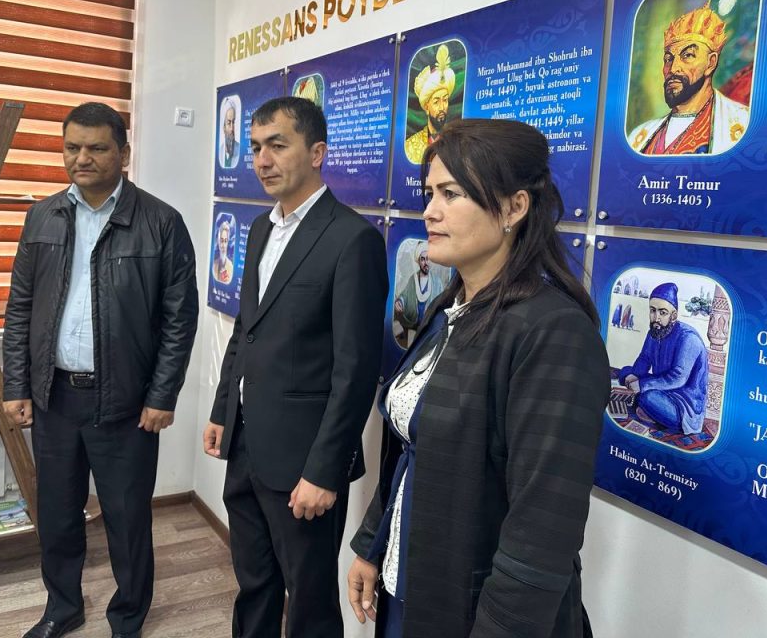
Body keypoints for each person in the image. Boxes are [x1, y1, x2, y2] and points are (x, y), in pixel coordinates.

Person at [347, 119, 610, 638]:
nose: (430, 211)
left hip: (474, 613)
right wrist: (372, 545)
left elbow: (542, 528)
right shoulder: (451, 310)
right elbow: (412, 449)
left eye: (452, 194)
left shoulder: (553, 332)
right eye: (429, 193)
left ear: (514, 207)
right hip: (411, 584)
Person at [2, 101, 198, 638]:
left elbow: (179, 319)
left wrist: (162, 395)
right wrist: (16, 383)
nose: (81, 158)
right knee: (57, 513)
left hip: (127, 402)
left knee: (127, 518)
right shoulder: (43, 217)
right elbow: (20, 307)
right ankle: (62, 606)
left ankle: (128, 617)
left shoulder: (160, 222)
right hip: (54, 397)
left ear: (123, 154)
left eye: (96, 148)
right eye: (72, 147)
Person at [203, 96, 388, 638]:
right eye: (256, 147)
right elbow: (247, 329)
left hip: (305, 462)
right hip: (246, 444)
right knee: (253, 583)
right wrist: (222, 410)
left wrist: (324, 471)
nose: (262, 160)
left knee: (308, 603)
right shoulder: (262, 229)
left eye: (277, 145)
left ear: (317, 153)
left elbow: (356, 370)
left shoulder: (352, 239)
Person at [628, 0, 750, 155]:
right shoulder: (639, 136)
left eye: (688, 56)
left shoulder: (743, 124)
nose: (673, 68)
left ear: (711, 62)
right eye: (668, 59)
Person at [618, 283, 708, 435]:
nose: (656, 317)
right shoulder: (654, 332)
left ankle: (654, 415)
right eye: (653, 310)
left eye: (663, 312)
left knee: (647, 397)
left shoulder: (688, 339)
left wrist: (641, 385)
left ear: (674, 316)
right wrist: (634, 375)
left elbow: (678, 378)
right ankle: (652, 413)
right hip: (662, 388)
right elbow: (644, 359)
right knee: (626, 372)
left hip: (683, 405)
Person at [405, 44, 456, 164]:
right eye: (436, 101)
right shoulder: (410, 147)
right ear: (427, 107)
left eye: (445, 100)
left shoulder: (457, 144)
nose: (442, 107)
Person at [393, 240, 444, 347]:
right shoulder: (413, 279)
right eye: (422, 259)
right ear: (418, 261)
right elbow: (404, 296)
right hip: (413, 325)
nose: (426, 263)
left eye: (428, 259)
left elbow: (442, 304)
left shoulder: (437, 282)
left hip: (429, 328)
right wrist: (399, 302)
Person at [219, 99, 240, 168]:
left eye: (233, 122)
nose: (232, 128)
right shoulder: (219, 152)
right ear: (224, 127)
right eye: (228, 123)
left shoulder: (240, 150)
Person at [213, 218, 234, 284]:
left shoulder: (231, 267)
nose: (223, 245)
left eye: (225, 241)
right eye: (221, 241)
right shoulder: (214, 265)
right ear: (218, 241)